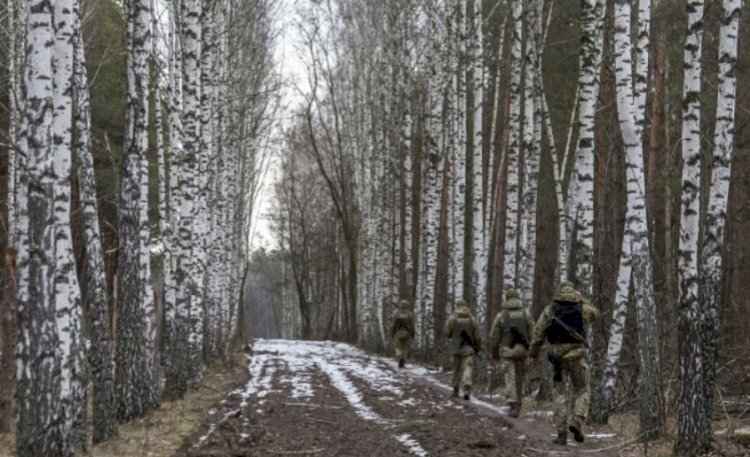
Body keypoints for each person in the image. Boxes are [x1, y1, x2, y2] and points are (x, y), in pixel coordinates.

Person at [529, 281, 600, 445]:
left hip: (558, 359)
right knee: (582, 390)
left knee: (559, 394)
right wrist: (583, 300)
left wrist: (533, 353)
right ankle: (577, 420)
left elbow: (538, 333)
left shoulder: (550, 309)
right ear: (573, 292)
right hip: (577, 356)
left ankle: (561, 434)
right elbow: (596, 313)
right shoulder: (582, 308)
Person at [489, 288, 534, 418]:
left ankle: (513, 404)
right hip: (523, 351)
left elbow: (494, 337)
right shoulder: (526, 314)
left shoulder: (501, 315)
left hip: (507, 351)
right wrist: (533, 351)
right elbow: (533, 333)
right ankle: (519, 402)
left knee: (510, 377)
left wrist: (494, 353)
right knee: (520, 378)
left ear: (507, 299)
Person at [444, 298, 481, 400]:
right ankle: (466, 387)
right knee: (467, 369)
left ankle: (455, 390)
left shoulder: (452, 318)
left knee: (456, 369)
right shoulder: (472, 319)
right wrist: (477, 348)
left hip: (456, 348)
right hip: (468, 349)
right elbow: (477, 336)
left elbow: (447, 333)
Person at [390, 299, 415, 368]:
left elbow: (393, 324)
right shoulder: (409, 314)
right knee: (405, 348)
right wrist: (413, 334)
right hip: (407, 333)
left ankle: (400, 356)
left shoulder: (396, 313)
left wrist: (392, 333)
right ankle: (403, 360)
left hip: (398, 333)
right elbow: (412, 325)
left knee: (398, 347)